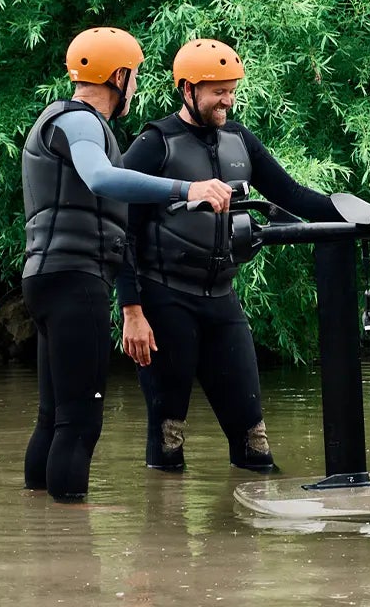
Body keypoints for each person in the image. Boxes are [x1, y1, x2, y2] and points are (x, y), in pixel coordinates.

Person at [20, 27, 232, 502]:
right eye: (133, 76)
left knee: (53, 416)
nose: (135, 86)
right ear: (118, 76)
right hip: (75, 280)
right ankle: (68, 560)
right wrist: (187, 188)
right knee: (80, 421)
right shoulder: (80, 121)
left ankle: (38, 537)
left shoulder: (61, 121)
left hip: (46, 277)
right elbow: (99, 178)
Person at [119, 39, 346, 473]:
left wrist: (361, 215)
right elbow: (120, 232)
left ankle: (253, 527)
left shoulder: (240, 139)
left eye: (231, 89)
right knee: (168, 437)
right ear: (188, 90)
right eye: (218, 91)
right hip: (164, 300)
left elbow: (294, 195)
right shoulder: (154, 143)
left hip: (222, 300)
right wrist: (132, 310)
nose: (228, 99)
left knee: (254, 438)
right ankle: (163, 532)